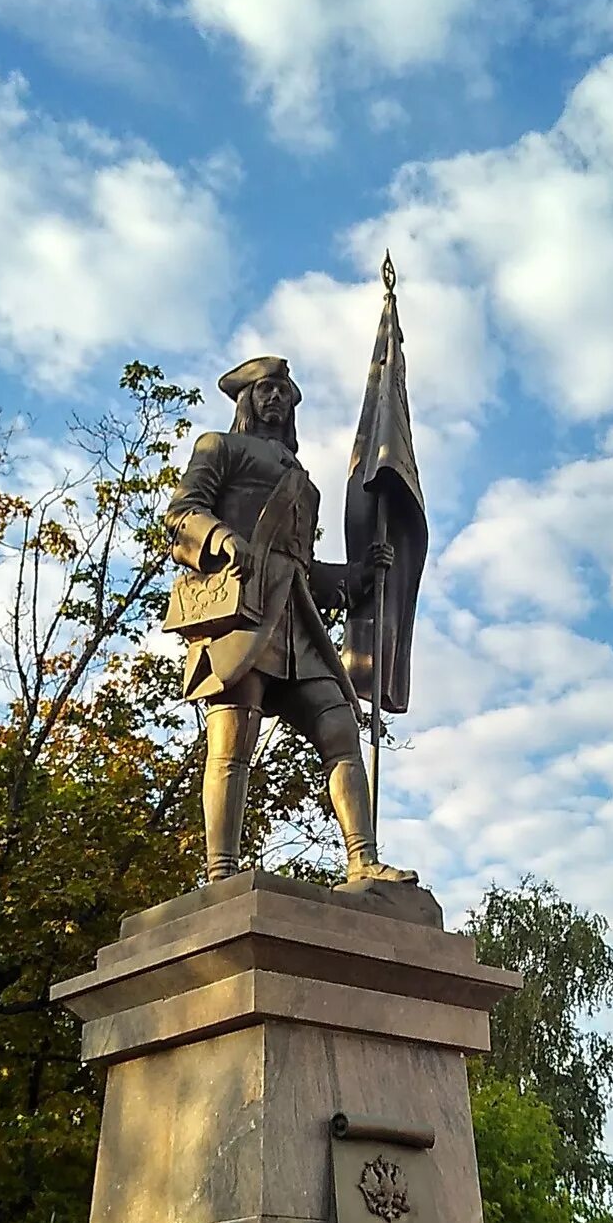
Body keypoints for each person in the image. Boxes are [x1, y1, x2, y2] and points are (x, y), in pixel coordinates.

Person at [164, 355, 415, 886]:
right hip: (243, 614)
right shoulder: (220, 448)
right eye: (265, 389)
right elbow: (182, 513)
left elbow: (302, 569)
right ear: (246, 400)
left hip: (297, 620)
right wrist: (221, 537)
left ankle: (362, 858)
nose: (275, 398)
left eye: (284, 390)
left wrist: (360, 574)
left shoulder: (303, 483)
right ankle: (221, 871)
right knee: (232, 742)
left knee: (340, 726)